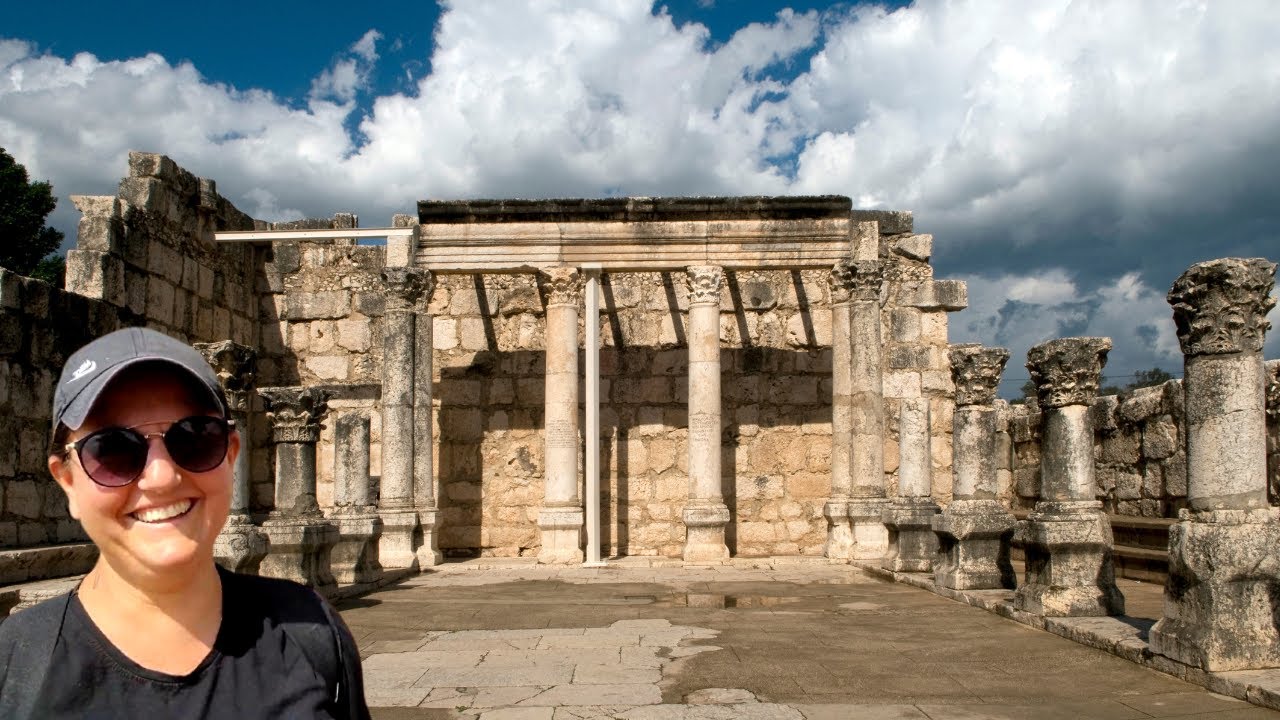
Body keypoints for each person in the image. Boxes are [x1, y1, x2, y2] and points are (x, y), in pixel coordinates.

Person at [0, 327, 371, 719]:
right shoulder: (14, 668)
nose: (161, 477)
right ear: (68, 481)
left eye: (195, 437)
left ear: (231, 456)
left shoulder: (312, 631)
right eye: (112, 449)